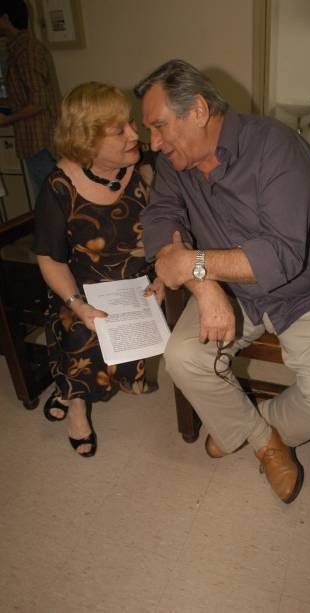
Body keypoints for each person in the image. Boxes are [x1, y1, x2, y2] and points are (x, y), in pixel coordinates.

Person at [135, 59, 310, 504]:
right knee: (182, 357)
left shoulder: (277, 147)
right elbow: (160, 217)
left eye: (160, 126)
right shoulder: (174, 163)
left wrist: (195, 265)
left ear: (199, 111)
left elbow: (282, 256)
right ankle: (263, 441)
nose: (155, 142)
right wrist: (202, 284)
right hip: (236, 289)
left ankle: (244, 422)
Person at [33, 82, 162, 457]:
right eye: (119, 130)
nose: (134, 135)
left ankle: (68, 389)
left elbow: (168, 223)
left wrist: (161, 277)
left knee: (132, 328)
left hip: (135, 284)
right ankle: (76, 406)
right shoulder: (59, 186)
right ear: (87, 141)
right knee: (82, 334)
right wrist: (77, 303)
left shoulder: (146, 169)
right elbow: (50, 259)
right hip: (82, 288)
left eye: (131, 124)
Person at [0, 0, 61, 198]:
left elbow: (39, 101)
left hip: (41, 141)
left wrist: (7, 119)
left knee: (51, 200)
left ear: (5, 19)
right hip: (33, 141)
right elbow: (23, 99)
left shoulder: (27, 51)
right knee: (47, 198)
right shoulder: (18, 49)